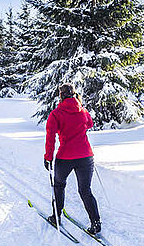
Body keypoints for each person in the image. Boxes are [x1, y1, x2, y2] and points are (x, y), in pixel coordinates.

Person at [43, 83, 101, 235]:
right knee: (85, 190)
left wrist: (48, 158)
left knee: (59, 185)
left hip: (65, 157)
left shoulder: (56, 114)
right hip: (86, 157)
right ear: (74, 94)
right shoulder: (82, 110)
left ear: (60, 96)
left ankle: (56, 217)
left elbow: (51, 138)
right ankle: (96, 223)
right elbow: (90, 124)